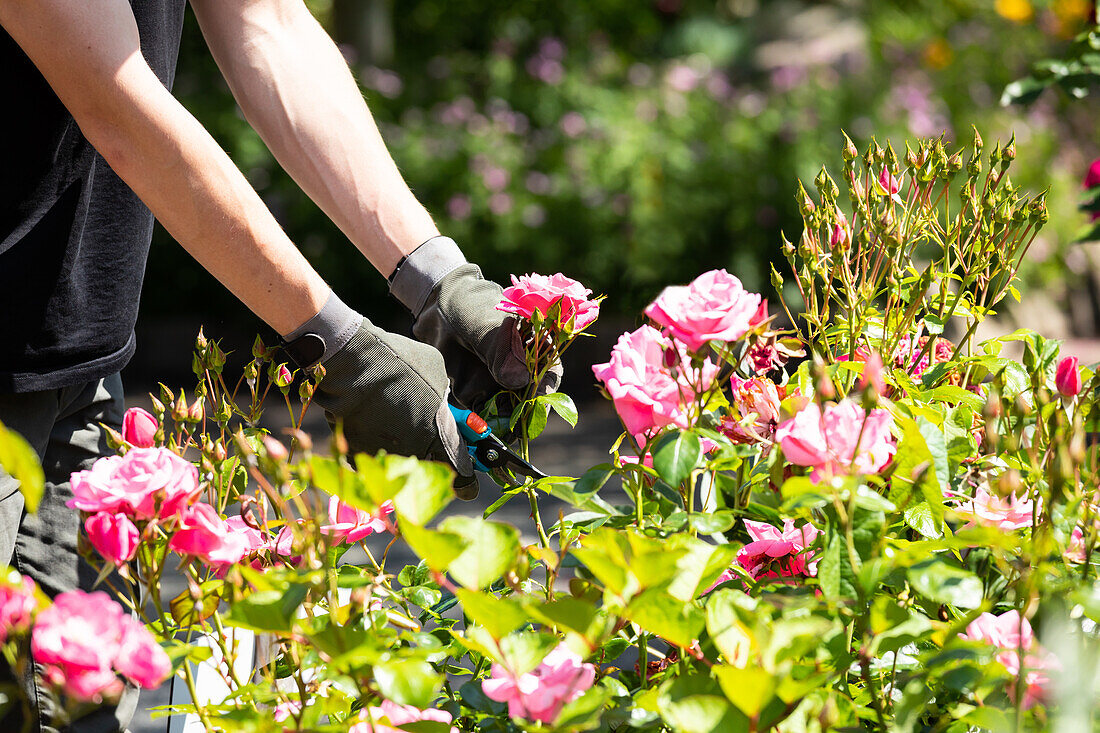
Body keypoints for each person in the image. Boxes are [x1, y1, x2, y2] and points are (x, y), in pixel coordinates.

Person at [0, 1, 556, 730]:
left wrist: (441, 280)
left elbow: (266, 23)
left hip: (77, 369)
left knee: (79, 710)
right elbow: (116, 100)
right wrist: (345, 349)